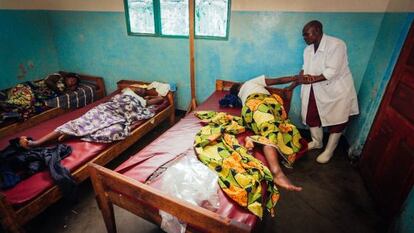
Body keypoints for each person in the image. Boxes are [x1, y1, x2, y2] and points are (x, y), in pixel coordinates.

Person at [19, 86, 164, 148]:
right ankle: (35, 143)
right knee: (77, 122)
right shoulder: (125, 93)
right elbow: (112, 100)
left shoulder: (142, 101)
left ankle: (73, 135)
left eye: (142, 90)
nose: (139, 89)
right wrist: (132, 92)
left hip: (118, 114)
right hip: (104, 110)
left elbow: (160, 99)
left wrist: (151, 91)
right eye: (137, 88)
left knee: (115, 131)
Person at [296, 20, 359, 163]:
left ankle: (329, 151)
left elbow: (332, 71)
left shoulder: (337, 45)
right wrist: (297, 80)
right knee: (311, 114)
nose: (305, 38)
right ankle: (317, 141)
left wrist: (309, 80)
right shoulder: (308, 50)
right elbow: (305, 68)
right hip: (315, 88)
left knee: (338, 120)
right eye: (303, 36)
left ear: (317, 31)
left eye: (307, 35)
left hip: (336, 89)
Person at [231, 74, 302, 192]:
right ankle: (277, 173)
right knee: (274, 130)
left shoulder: (243, 97)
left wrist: (295, 83)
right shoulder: (250, 82)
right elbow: (278, 79)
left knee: (276, 128)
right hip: (259, 104)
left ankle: (261, 143)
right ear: (241, 85)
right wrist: (296, 77)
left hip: (258, 108)